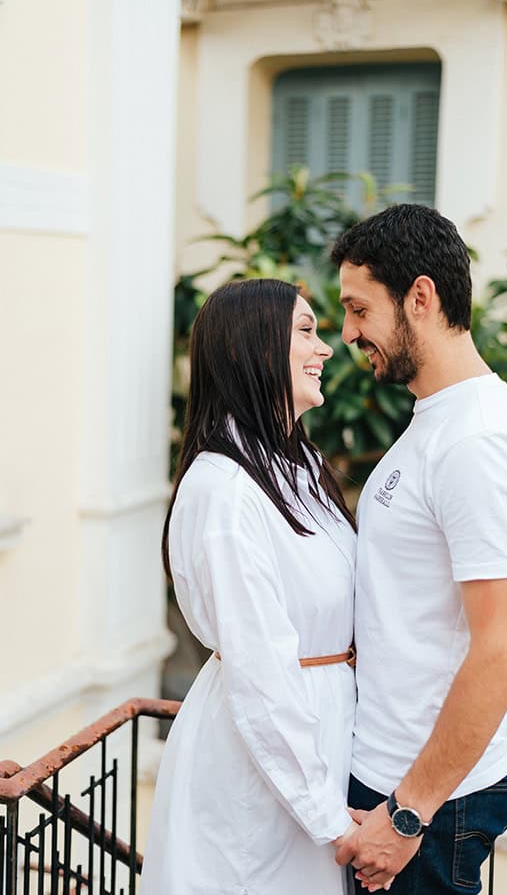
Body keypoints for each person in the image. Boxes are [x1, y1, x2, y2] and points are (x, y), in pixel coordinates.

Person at [331, 204, 507, 894]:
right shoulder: (437, 423)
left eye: (359, 309)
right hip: (392, 780)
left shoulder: (479, 441)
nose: (347, 333)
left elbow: (503, 651)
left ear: (419, 298)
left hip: (429, 808)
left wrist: (405, 816)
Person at [141, 278, 358, 895]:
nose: (327, 349)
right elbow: (261, 670)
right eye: (307, 332)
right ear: (257, 350)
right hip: (261, 764)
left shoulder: (302, 471)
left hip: (319, 745)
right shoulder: (225, 492)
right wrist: (329, 819)